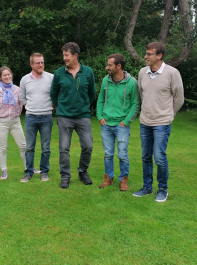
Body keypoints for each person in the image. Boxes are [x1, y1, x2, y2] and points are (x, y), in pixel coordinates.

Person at [133, 42, 184, 202]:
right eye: (146, 53)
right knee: (146, 156)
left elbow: (179, 98)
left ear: (159, 56)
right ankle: (147, 187)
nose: (145, 56)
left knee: (159, 157)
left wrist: (169, 114)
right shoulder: (142, 72)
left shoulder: (172, 73)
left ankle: (163, 189)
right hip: (145, 122)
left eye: (149, 54)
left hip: (162, 122)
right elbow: (142, 94)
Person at [50, 42, 96, 188]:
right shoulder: (59, 73)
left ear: (75, 55)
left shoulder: (88, 72)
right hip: (64, 116)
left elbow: (91, 93)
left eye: (66, 55)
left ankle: (83, 172)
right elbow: (54, 93)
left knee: (88, 146)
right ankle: (65, 176)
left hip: (83, 116)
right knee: (64, 148)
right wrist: (60, 108)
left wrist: (83, 106)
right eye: (63, 55)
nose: (64, 58)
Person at [97, 53, 140, 191]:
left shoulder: (132, 82)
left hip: (121, 125)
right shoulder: (105, 81)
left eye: (110, 65)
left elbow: (135, 104)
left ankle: (124, 180)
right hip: (106, 124)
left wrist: (126, 121)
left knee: (122, 154)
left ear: (118, 66)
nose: (107, 67)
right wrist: (100, 116)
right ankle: (108, 179)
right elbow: (100, 100)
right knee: (108, 154)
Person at [0, 66, 26, 180]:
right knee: (3, 147)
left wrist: (16, 113)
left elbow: (20, 104)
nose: (7, 77)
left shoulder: (17, 89)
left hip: (15, 121)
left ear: (11, 75)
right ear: (0, 77)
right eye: (4, 75)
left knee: (23, 146)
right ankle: (4, 171)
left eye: (9, 74)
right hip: (1, 121)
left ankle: (28, 167)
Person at [19, 53, 54, 182]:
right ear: (31, 64)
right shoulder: (24, 79)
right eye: (38, 63)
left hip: (46, 116)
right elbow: (22, 98)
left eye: (42, 62)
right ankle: (28, 172)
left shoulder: (51, 77)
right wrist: (32, 107)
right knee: (29, 147)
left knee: (46, 147)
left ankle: (44, 172)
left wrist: (49, 108)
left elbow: (55, 96)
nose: (41, 65)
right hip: (31, 117)